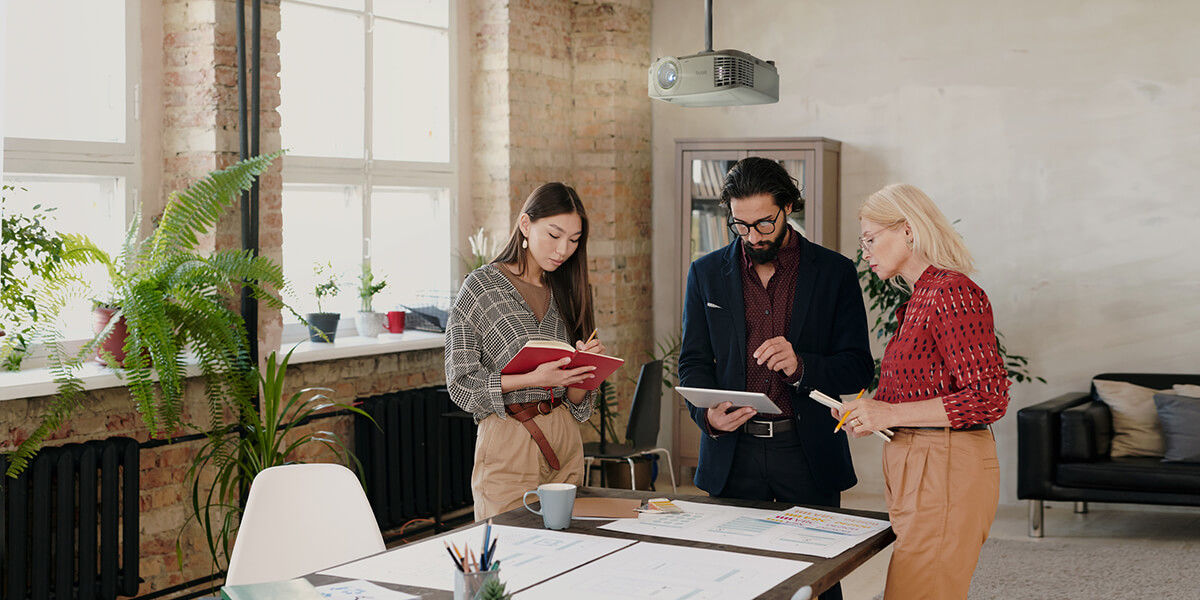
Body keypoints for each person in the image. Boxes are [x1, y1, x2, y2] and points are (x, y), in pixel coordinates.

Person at [679, 157, 873, 600]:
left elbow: (859, 368)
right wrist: (707, 416)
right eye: (740, 225)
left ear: (788, 207)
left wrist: (803, 365)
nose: (752, 236)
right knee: (732, 580)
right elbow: (692, 362)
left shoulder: (834, 273)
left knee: (817, 582)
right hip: (732, 452)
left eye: (764, 223)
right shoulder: (705, 273)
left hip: (805, 452)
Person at [836, 183, 1010, 600]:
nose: (865, 252)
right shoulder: (920, 297)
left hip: (944, 464)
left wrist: (889, 415)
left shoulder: (953, 293)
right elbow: (917, 394)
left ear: (909, 230)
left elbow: (988, 397)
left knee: (920, 591)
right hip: (921, 462)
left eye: (871, 238)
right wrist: (871, 410)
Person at [445, 182, 604, 521]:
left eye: (574, 241)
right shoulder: (480, 288)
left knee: (568, 555)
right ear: (525, 225)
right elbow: (459, 384)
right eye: (554, 235)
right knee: (509, 550)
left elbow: (577, 402)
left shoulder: (570, 289)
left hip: (565, 438)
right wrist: (533, 378)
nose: (563, 250)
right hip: (508, 439)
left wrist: (584, 370)